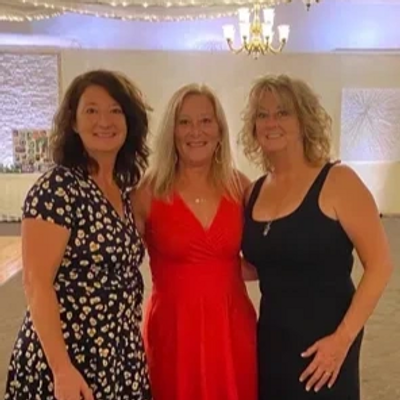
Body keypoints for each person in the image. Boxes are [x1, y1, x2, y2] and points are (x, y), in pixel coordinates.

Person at [240, 74, 393, 399]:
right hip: (271, 342)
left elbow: (380, 265)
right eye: (262, 115)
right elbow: (264, 264)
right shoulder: (253, 192)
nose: (271, 122)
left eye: (283, 112)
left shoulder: (338, 181)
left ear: (304, 120)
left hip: (327, 345)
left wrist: (342, 340)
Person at [4, 69, 152, 400]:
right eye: (92, 110)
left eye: (115, 110)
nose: (105, 121)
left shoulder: (122, 191)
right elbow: (36, 282)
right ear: (73, 121)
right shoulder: (58, 187)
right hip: (70, 355)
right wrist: (61, 369)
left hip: (119, 353)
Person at [132, 84, 257, 400]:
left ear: (220, 130)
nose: (195, 131)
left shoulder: (241, 188)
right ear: (171, 131)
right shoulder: (147, 192)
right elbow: (118, 260)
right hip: (174, 329)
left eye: (205, 121)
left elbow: (268, 255)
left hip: (231, 326)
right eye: (184, 122)